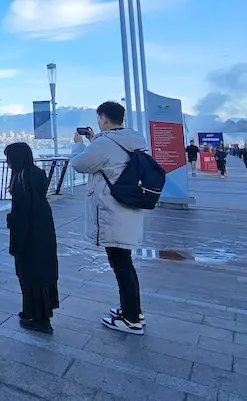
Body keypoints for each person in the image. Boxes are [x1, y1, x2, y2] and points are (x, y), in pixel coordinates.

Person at [70, 101, 147, 335]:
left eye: (98, 118)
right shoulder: (135, 139)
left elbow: (80, 164)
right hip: (128, 208)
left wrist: (77, 146)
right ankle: (132, 309)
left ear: (103, 119)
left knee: (121, 264)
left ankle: (131, 319)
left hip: (112, 212)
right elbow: (112, 162)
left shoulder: (105, 143)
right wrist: (95, 141)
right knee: (125, 262)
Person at [4, 142, 58, 334]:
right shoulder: (36, 175)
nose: (8, 163)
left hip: (29, 236)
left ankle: (39, 318)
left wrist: (15, 244)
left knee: (29, 275)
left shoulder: (21, 182)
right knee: (42, 274)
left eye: (9, 159)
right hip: (44, 231)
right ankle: (35, 312)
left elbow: (21, 216)